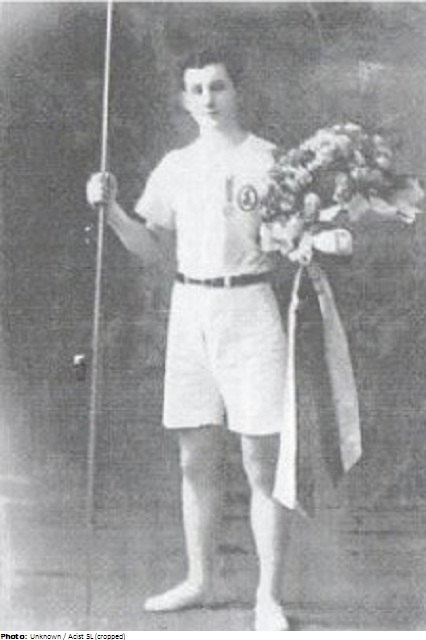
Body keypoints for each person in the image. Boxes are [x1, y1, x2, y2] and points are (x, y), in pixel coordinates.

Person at [86, 46, 353, 631]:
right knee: (194, 456)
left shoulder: (271, 161)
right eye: (197, 88)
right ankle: (200, 579)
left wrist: (304, 238)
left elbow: (292, 238)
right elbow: (153, 247)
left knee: (261, 461)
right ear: (184, 99)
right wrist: (112, 213)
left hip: (250, 308)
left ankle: (267, 598)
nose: (208, 98)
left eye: (218, 86)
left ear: (237, 91)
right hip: (191, 310)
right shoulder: (175, 166)